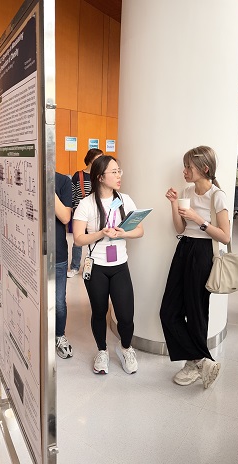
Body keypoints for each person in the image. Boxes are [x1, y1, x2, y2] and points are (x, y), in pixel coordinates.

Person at [159, 146, 232, 388]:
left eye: (188, 166)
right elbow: (180, 229)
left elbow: (225, 236)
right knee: (168, 311)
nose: (184, 170)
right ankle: (201, 361)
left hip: (202, 253)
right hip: (184, 249)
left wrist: (199, 220)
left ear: (205, 169)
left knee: (197, 311)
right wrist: (173, 204)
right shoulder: (188, 190)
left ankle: (194, 363)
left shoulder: (217, 196)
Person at [72, 154, 142, 376]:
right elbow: (78, 239)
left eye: (119, 170)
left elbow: (140, 231)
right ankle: (101, 350)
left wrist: (125, 232)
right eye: (114, 172)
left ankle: (126, 348)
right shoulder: (86, 204)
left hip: (120, 265)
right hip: (97, 268)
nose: (119, 175)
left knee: (126, 315)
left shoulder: (125, 199)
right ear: (100, 177)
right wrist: (100, 233)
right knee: (99, 312)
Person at [51, 170, 78, 360]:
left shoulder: (62, 182)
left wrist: (46, 187)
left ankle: (59, 336)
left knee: (59, 301)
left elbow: (65, 218)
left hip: (57, 252)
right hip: (29, 254)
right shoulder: (23, 178)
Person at [73, 148, 103, 271]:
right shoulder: (78, 175)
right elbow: (73, 194)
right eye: (98, 157)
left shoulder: (100, 176)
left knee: (95, 240)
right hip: (81, 212)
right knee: (78, 241)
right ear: (90, 159)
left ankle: (89, 267)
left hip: (97, 212)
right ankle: (74, 267)